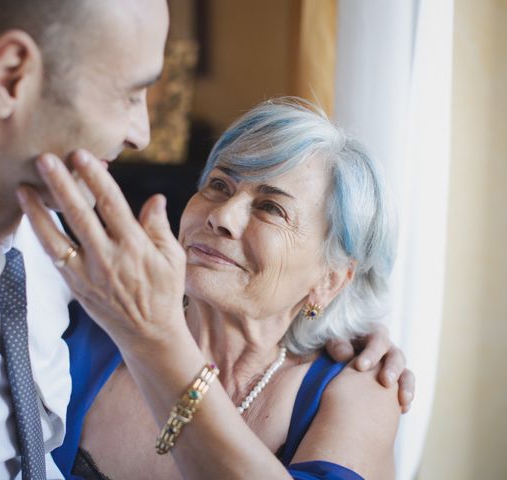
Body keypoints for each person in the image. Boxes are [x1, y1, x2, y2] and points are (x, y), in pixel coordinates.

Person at [0, 0, 412, 478]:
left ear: (333, 278)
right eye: (131, 93)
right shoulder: (99, 317)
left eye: (271, 207)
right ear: (11, 76)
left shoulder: (59, 253)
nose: (142, 134)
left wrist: (351, 329)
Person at [20, 99, 404, 479]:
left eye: (270, 208)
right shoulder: (80, 326)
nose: (222, 216)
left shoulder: (359, 390)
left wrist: (157, 338)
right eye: (219, 185)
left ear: (330, 280)